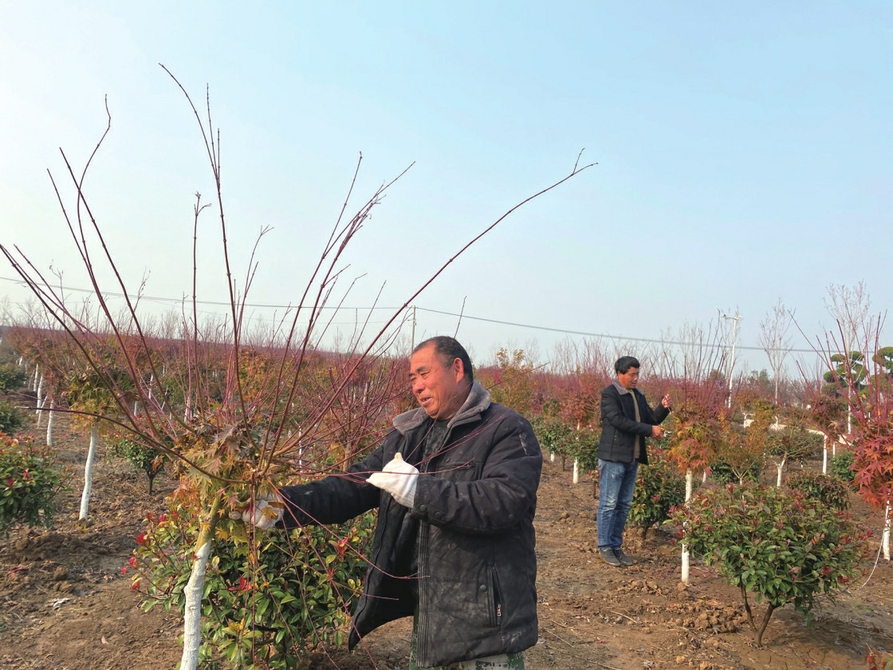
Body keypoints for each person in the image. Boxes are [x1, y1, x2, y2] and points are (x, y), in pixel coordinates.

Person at [243, 336, 542, 669]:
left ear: (457, 368)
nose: (415, 386)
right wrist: (281, 506)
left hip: (488, 622)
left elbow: (503, 502)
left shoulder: (506, 429)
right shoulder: (410, 435)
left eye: (423, 373)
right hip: (432, 616)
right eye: (411, 378)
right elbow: (352, 487)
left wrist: (419, 491)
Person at [596, 356, 671, 568]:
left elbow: (650, 420)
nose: (636, 378)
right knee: (609, 504)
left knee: (624, 504)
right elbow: (619, 421)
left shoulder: (638, 395)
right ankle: (604, 546)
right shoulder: (609, 394)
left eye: (638, 374)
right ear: (620, 374)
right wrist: (649, 430)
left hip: (632, 458)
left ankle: (616, 545)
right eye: (632, 374)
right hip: (613, 458)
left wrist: (663, 408)